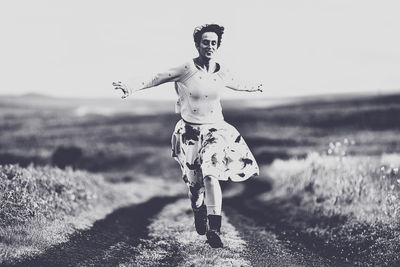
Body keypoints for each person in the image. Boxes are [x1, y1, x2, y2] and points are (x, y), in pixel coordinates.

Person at [113, 24, 262, 248]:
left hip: (215, 130)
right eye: (205, 42)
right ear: (197, 44)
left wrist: (254, 87)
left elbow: (238, 83)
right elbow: (157, 77)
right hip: (191, 134)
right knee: (195, 188)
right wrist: (130, 86)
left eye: (213, 42)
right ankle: (198, 210)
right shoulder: (187, 69)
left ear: (218, 45)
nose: (210, 46)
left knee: (212, 174)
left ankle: (215, 229)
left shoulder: (222, 71)